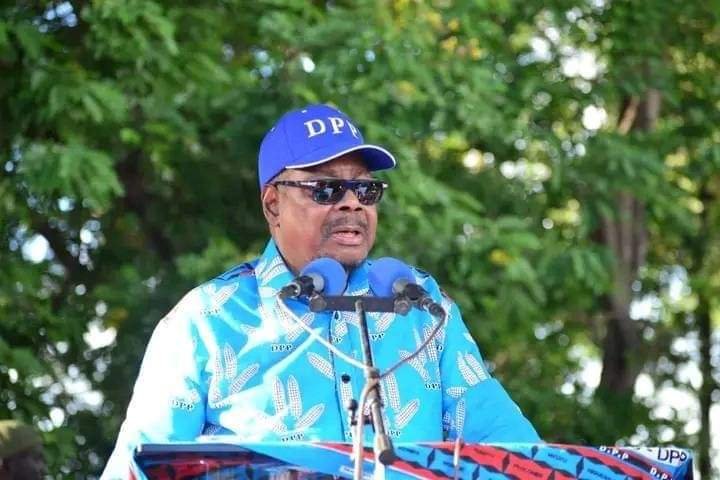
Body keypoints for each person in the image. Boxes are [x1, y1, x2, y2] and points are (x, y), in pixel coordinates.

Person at [102, 104, 539, 478]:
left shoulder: (422, 306)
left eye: (365, 189)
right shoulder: (206, 320)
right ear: (273, 203)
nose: (352, 203)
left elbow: (510, 449)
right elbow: (138, 467)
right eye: (325, 189)